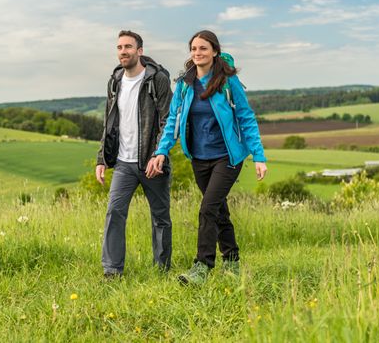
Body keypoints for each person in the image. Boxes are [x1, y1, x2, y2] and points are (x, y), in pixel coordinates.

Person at [147, 30, 267, 285]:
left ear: (214, 51)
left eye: (203, 48)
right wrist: (161, 151)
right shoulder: (184, 84)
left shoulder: (228, 82)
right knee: (219, 210)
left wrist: (258, 155)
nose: (197, 53)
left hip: (227, 156)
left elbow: (246, 117)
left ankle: (202, 266)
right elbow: (173, 121)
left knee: (208, 208)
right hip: (199, 158)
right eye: (193, 49)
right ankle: (232, 259)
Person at [96, 30, 173, 278]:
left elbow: (168, 120)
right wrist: (101, 159)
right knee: (114, 212)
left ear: (139, 51)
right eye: (119, 47)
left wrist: (158, 154)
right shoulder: (115, 80)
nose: (123, 52)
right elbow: (108, 123)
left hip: (152, 162)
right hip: (123, 163)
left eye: (128, 47)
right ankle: (112, 270)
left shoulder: (156, 80)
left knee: (160, 217)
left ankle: (161, 269)